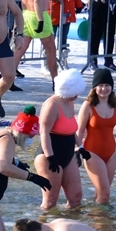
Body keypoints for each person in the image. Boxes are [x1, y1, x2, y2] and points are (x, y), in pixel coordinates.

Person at [76, 68, 116, 204]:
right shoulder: (88, 105)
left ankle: (93, 215)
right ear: (94, 87)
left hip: (111, 154)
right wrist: (77, 150)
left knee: (101, 193)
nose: (104, 89)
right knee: (105, 194)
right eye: (100, 85)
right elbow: (79, 131)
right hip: (92, 153)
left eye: (107, 85)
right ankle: (101, 218)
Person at [34, 69, 87, 210]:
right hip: (50, 156)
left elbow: (70, 130)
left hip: (68, 154)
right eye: (75, 92)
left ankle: (71, 223)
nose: (77, 96)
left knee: (76, 197)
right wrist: (50, 157)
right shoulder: (52, 105)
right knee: (50, 201)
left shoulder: (69, 102)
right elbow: (44, 132)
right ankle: (40, 223)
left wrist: (80, 147)